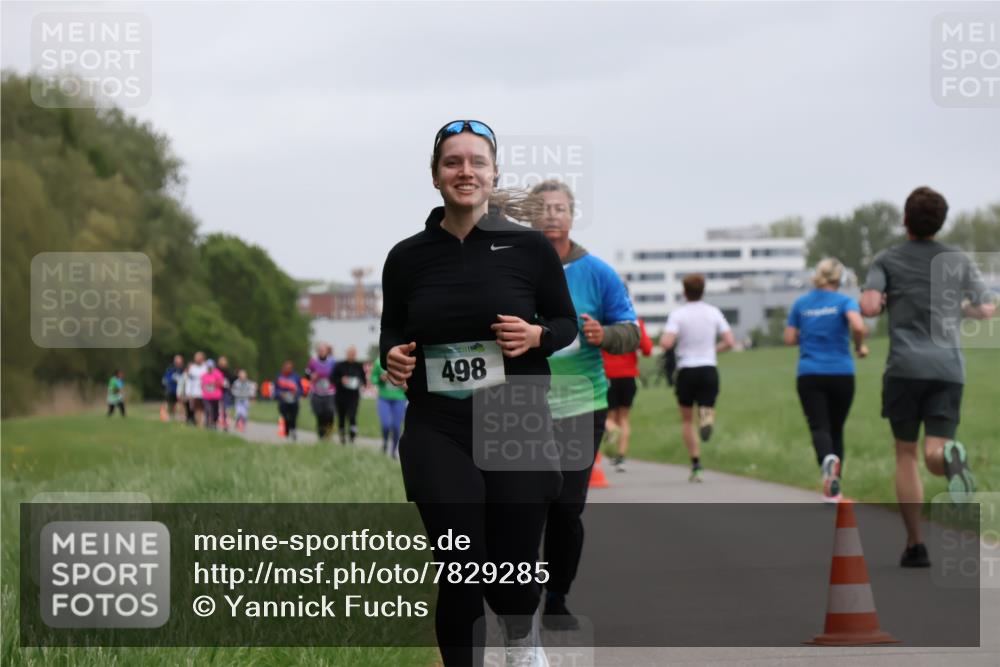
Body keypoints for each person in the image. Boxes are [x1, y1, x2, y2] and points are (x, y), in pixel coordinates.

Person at [380, 120, 577, 667]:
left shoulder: (530, 248)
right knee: (461, 569)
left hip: (514, 418)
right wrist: (391, 357)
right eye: (452, 162)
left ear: (493, 175)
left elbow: (565, 323)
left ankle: (520, 640)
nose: (464, 171)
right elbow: (391, 330)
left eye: (476, 162)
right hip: (438, 425)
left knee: (512, 573)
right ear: (436, 175)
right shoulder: (407, 257)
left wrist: (540, 335)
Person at [860, 186, 995, 568]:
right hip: (948, 369)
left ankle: (916, 545)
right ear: (941, 222)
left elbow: (870, 305)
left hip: (905, 368)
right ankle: (950, 458)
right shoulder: (957, 259)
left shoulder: (886, 259)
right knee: (936, 448)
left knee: (906, 454)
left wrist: (876, 301)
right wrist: (960, 310)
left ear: (905, 220)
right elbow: (987, 308)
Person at [527, 179, 639, 632]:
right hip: (521, 406)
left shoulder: (599, 273)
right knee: (522, 506)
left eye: (560, 208)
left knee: (566, 509)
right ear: (530, 218)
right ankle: (519, 594)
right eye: (543, 209)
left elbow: (629, 330)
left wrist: (603, 335)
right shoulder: (514, 266)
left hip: (581, 405)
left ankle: (556, 596)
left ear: (572, 216)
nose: (552, 215)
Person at [784, 258, 869, 503]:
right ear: (840, 279)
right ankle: (835, 486)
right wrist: (860, 347)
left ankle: (827, 465)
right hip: (842, 373)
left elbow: (789, 338)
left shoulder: (801, 303)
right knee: (836, 428)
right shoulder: (845, 301)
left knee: (819, 427)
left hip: (810, 373)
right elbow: (858, 325)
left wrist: (811, 336)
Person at [660, 274, 735, 482]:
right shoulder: (713, 312)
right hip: (708, 367)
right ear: (703, 290)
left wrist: (673, 344)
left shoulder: (678, 314)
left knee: (686, 420)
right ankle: (707, 417)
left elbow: (666, 342)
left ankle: (696, 465)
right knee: (706, 406)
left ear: (684, 292)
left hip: (687, 369)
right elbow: (730, 340)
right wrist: (712, 349)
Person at [603, 317, 654, 472]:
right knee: (624, 418)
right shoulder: (635, 322)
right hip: (628, 376)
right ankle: (620, 458)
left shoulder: (604, 320)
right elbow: (647, 349)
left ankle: (612, 431)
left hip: (607, 375)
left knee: (608, 417)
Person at [372, 357, 406, 458]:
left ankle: (393, 450)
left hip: (399, 398)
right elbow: (373, 378)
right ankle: (385, 443)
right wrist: (380, 378)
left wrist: (406, 384)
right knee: (386, 424)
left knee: (396, 427)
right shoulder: (379, 361)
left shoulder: (404, 360)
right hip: (384, 398)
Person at [333, 346, 367, 444]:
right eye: (350, 353)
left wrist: (360, 382)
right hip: (341, 396)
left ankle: (352, 435)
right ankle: (342, 437)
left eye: (353, 354)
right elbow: (332, 379)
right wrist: (341, 380)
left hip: (353, 397)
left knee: (352, 416)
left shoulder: (359, 366)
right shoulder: (339, 366)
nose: (352, 355)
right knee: (341, 417)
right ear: (347, 354)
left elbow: (364, 380)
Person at [305, 343, 337, 440]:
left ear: (327, 351)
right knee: (319, 414)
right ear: (317, 351)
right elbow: (306, 374)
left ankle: (329, 433)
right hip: (317, 392)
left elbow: (337, 374)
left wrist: (333, 378)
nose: (322, 352)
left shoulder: (332, 361)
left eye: (323, 350)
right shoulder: (313, 361)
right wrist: (311, 376)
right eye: (320, 350)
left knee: (330, 413)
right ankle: (321, 434)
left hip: (330, 392)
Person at [275, 360, 303, 442]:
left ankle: (293, 430)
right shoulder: (279, 377)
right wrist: (280, 393)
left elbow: (301, 389)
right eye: (286, 367)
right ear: (283, 368)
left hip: (293, 401)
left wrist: (296, 393)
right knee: (285, 417)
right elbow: (275, 390)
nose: (288, 369)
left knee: (293, 417)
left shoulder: (296, 377)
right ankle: (286, 432)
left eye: (289, 367)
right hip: (283, 402)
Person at [201, 359, 225, 429]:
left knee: (215, 411)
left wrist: (214, 383)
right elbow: (202, 385)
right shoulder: (204, 375)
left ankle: (214, 422)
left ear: (213, 367)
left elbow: (221, 383)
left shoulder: (218, 374)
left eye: (211, 367)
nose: (209, 368)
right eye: (208, 367)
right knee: (207, 409)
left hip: (216, 396)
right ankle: (207, 423)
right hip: (206, 396)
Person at [186, 351, 208, 427]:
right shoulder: (192, 368)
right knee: (196, 409)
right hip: (195, 393)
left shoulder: (206, 368)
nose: (198, 359)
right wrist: (188, 392)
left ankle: (203, 423)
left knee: (204, 409)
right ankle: (199, 424)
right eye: (197, 358)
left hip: (205, 392)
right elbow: (189, 381)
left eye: (200, 358)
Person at [217, 356, 237, 431]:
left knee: (226, 408)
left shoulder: (228, 372)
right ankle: (219, 422)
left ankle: (226, 423)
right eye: (221, 362)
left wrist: (235, 375)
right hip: (217, 392)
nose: (223, 363)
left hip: (226, 392)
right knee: (219, 408)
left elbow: (232, 380)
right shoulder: (216, 371)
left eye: (224, 362)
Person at [162, 355, 185, 420]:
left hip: (180, 390)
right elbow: (166, 379)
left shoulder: (183, 369)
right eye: (177, 362)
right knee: (170, 404)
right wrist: (172, 379)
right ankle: (169, 416)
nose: (178, 364)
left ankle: (180, 417)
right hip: (171, 389)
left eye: (180, 362)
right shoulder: (170, 369)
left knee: (180, 404)